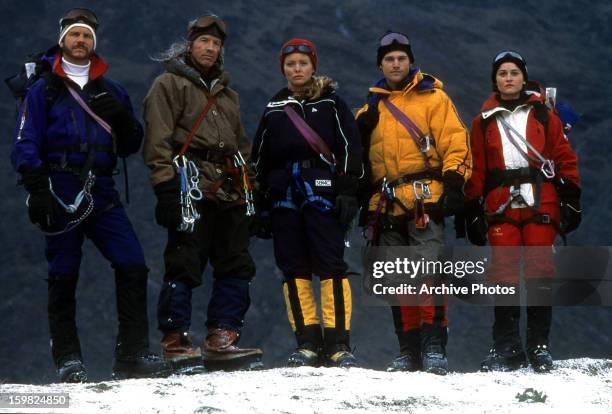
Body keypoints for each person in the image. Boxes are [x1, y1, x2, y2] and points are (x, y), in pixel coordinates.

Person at [10, 8, 170, 382]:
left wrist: (122, 118)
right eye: (74, 35)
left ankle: (131, 355)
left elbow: (131, 144)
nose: (80, 41)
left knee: (132, 263)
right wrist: (36, 189)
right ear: (63, 39)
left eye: (86, 36)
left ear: (93, 43)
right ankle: (69, 360)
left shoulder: (111, 90)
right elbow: (25, 140)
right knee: (64, 272)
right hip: (58, 187)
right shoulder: (43, 89)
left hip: (102, 187)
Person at [143, 13, 262, 372]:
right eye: (204, 42)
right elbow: (157, 140)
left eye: (216, 44)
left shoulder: (229, 96)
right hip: (187, 184)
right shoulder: (168, 85)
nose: (210, 48)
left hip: (229, 187)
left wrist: (253, 190)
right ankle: (175, 340)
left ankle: (221, 338)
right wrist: (164, 188)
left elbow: (242, 145)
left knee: (236, 262)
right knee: (184, 259)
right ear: (189, 45)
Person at [356, 31, 471, 375]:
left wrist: (453, 184)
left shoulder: (434, 98)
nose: (395, 63)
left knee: (428, 274)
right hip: (386, 203)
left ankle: (433, 347)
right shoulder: (370, 108)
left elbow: (455, 142)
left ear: (410, 61)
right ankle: (408, 351)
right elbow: (359, 161)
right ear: (380, 64)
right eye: (389, 59)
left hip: (425, 198)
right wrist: (361, 196)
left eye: (401, 58)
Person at [464, 50, 580, 373]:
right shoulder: (482, 122)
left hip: (540, 199)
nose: (509, 78)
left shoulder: (545, 115)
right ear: (495, 80)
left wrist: (571, 197)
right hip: (500, 203)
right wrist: (471, 208)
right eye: (503, 73)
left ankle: (539, 346)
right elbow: (476, 169)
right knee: (503, 270)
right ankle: (507, 346)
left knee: (540, 267)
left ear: (524, 77)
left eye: (514, 72)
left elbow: (563, 155)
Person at [251, 38, 362, 368]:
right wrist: (259, 204)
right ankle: (307, 344)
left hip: (323, 192)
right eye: (290, 64)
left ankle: (339, 344)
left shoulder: (332, 103)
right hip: (283, 195)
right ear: (283, 69)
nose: (296, 69)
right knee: (293, 268)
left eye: (302, 63)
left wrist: (348, 190)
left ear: (313, 65)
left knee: (331, 265)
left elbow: (349, 147)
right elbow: (259, 158)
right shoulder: (273, 109)